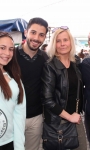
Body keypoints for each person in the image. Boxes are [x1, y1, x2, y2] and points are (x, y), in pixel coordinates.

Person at [41, 26, 87, 150]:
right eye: (58, 41)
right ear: (54, 44)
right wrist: (69, 116)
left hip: (76, 118)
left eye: (65, 40)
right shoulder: (50, 66)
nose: (62, 44)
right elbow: (47, 99)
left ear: (71, 42)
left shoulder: (75, 63)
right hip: (58, 121)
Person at [16, 17, 49, 150]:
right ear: (25, 32)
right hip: (13, 116)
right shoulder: (11, 56)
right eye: (33, 32)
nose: (36, 38)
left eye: (41, 35)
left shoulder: (46, 59)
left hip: (36, 117)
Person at [0, 31, 26, 150]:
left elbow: (19, 115)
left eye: (11, 49)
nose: (7, 53)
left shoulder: (15, 79)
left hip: (9, 142)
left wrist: (19, 146)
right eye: (2, 48)